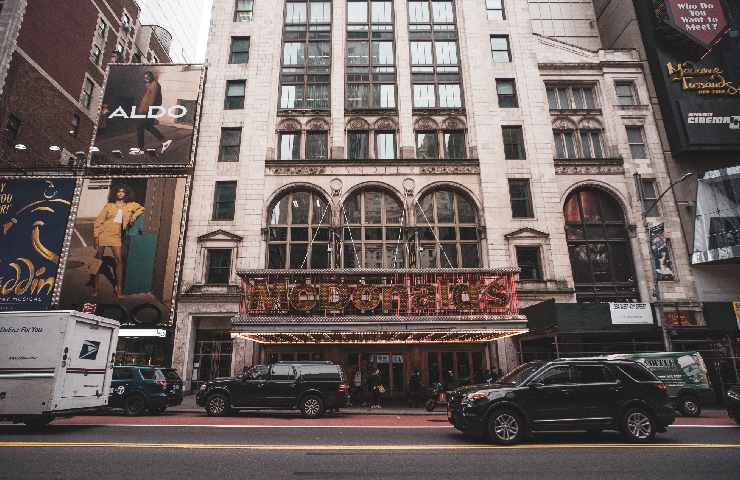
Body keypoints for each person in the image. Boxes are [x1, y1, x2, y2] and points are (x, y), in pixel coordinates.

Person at [92, 184, 144, 297]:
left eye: (123, 192)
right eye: (118, 191)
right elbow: (98, 221)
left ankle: (119, 289)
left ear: (126, 194)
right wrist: (96, 237)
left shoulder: (131, 205)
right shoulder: (109, 206)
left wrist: (134, 216)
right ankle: (95, 287)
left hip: (116, 236)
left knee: (119, 260)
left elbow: (141, 208)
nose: (120, 193)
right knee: (97, 261)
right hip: (103, 234)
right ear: (115, 193)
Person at [131, 71, 172, 156]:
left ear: (151, 77)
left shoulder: (154, 85)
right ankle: (164, 142)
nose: (146, 79)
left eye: (147, 77)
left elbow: (152, 99)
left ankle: (141, 149)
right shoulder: (151, 84)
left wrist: (146, 111)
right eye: (145, 77)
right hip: (146, 110)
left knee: (140, 127)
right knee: (148, 126)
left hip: (148, 110)